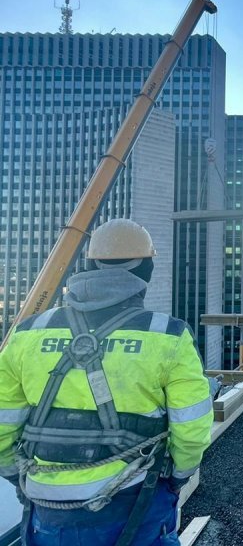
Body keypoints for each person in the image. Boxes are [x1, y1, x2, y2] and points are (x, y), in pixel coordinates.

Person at [0, 219, 214, 545]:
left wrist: (13, 472)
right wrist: (180, 474)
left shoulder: (29, 332)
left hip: (46, 502)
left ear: (89, 265)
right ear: (146, 269)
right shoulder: (167, 335)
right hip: (134, 496)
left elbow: (2, 419)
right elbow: (191, 426)